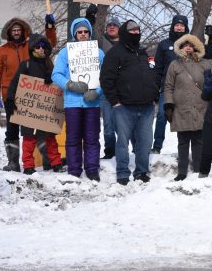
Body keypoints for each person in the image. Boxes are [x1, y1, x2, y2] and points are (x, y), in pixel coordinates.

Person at [0, 15, 57, 171]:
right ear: (8, 32)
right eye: (13, 30)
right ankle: (13, 162)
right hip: (10, 95)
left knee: (38, 127)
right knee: (12, 129)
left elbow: (50, 43)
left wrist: (49, 27)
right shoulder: (2, 51)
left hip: (32, 93)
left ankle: (46, 159)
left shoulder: (31, 46)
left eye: (18, 30)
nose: (16, 32)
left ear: (23, 31)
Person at [100, 20, 160, 185]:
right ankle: (122, 173)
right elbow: (106, 79)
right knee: (122, 143)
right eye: (132, 31)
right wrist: (114, 101)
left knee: (145, 142)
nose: (136, 33)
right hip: (124, 107)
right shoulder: (115, 53)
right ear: (125, 33)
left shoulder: (143, 54)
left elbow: (154, 75)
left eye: (138, 30)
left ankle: (141, 172)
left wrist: (154, 94)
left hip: (146, 107)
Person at [152, 15, 212, 154]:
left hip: (189, 89)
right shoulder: (164, 44)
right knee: (162, 116)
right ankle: (157, 146)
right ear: (172, 26)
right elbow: (158, 68)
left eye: (182, 25)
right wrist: (155, 89)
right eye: (177, 25)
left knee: (195, 116)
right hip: (168, 87)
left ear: (186, 27)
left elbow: (209, 54)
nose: (179, 27)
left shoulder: (192, 44)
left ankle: (198, 149)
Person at [51, 18, 105, 181]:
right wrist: (69, 84)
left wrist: (98, 92)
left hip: (92, 102)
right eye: (79, 32)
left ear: (89, 33)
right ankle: (74, 169)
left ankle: (92, 169)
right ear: (75, 34)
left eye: (85, 31)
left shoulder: (99, 53)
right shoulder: (65, 52)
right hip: (72, 102)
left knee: (92, 137)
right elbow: (56, 75)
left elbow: (106, 77)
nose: (82, 34)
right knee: (73, 137)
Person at [5, 34, 64, 174]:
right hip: (28, 109)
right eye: (38, 46)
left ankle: (56, 163)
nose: (41, 49)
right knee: (29, 138)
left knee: (50, 138)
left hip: (46, 109)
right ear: (32, 48)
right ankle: (28, 165)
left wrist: (52, 80)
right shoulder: (25, 65)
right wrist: (10, 99)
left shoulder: (50, 65)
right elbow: (14, 83)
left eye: (43, 47)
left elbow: (58, 82)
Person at [164, 33, 212, 181]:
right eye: (185, 45)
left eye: (191, 45)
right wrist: (168, 104)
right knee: (183, 141)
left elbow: (210, 85)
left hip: (200, 107)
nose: (188, 48)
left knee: (199, 139)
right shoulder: (174, 65)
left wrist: (210, 98)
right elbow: (168, 86)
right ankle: (182, 171)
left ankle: (198, 169)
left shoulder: (204, 64)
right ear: (180, 47)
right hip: (181, 108)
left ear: (196, 47)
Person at [97, 15, 121, 159]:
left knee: (124, 124)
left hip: (123, 90)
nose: (111, 27)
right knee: (108, 125)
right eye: (109, 25)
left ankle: (126, 149)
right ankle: (109, 151)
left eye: (115, 25)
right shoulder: (100, 43)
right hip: (106, 89)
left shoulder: (126, 43)